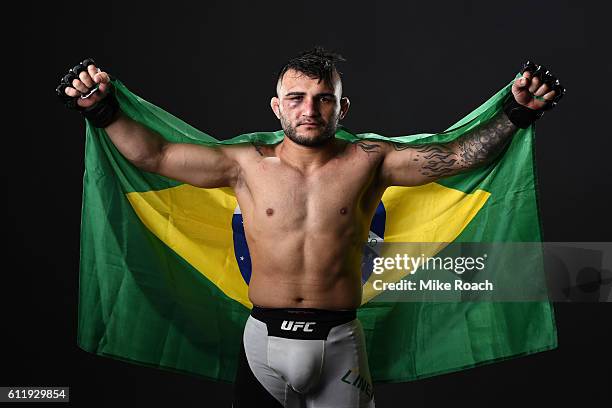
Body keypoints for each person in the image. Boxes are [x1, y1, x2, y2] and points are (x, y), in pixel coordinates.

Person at [57, 47, 564, 408]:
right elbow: (156, 153)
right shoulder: (245, 165)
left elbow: (456, 156)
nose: (309, 109)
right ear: (276, 107)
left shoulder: (371, 160)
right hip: (264, 341)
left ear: (342, 108)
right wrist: (99, 108)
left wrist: (517, 112)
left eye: (323, 98)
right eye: (296, 98)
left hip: (340, 339)